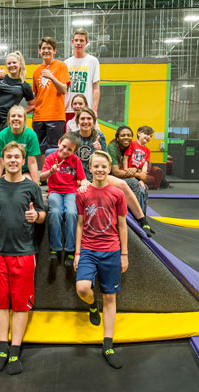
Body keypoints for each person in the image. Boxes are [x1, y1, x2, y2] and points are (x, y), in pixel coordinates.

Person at [0, 141, 46, 375]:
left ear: (23, 160)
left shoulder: (31, 187)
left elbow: (42, 215)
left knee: (21, 305)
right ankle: (2, 348)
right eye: (8, 157)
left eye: (16, 157)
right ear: (3, 160)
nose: (12, 160)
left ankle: (15, 350)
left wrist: (35, 215)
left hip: (25, 253)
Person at [74, 150, 127, 369]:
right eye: (96, 166)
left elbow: (122, 225)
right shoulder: (82, 193)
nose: (100, 170)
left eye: (103, 166)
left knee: (110, 297)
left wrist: (124, 254)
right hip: (88, 248)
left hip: (111, 250)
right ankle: (92, 306)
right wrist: (77, 253)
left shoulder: (117, 193)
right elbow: (79, 224)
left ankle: (107, 344)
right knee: (83, 288)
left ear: (108, 168)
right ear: (90, 168)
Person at [71, 108, 154, 237]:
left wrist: (99, 150)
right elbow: (71, 161)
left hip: (98, 174)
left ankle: (142, 220)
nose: (85, 121)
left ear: (93, 121)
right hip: (80, 177)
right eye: (82, 119)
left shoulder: (99, 135)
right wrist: (81, 179)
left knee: (124, 185)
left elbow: (105, 160)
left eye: (89, 119)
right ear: (78, 121)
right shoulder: (74, 136)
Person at [0, 51, 35, 179]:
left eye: (14, 63)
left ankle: (8, 174)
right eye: (9, 63)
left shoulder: (24, 85)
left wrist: (19, 114)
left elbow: (32, 105)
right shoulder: (0, 78)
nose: (11, 65)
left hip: (7, 118)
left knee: (4, 147)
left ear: (20, 64)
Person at [40, 133, 88, 267]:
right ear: (59, 142)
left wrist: (84, 183)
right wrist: (51, 171)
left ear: (74, 151)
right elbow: (42, 178)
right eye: (64, 146)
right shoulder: (50, 157)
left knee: (72, 213)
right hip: (54, 191)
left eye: (70, 149)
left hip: (70, 192)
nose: (65, 151)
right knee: (55, 213)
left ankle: (70, 250)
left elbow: (82, 178)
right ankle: (55, 249)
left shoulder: (75, 160)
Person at [32, 37, 71, 159]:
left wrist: (51, 77)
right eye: (43, 48)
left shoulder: (60, 66)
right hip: (39, 116)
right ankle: (44, 177)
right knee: (41, 150)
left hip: (55, 115)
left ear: (54, 50)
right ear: (39, 51)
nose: (46, 51)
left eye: (49, 48)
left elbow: (63, 89)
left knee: (54, 149)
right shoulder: (36, 71)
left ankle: (53, 177)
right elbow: (36, 95)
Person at [0, 105, 40, 184]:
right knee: (4, 184)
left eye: (20, 116)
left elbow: (32, 162)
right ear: (9, 120)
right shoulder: (2, 135)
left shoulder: (31, 135)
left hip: (24, 171)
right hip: (8, 169)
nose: (16, 118)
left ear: (24, 120)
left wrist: (36, 186)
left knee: (28, 184)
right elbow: (0, 162)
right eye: (13, 116)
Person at [109, 126, 152, 214]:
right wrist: (138, 175)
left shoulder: (132, 146)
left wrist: (136, 171)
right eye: (123, 135)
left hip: (126, 174)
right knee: (133, 182)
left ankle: (143, 214)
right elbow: (116, 172)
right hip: (111, 176)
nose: (126, 138)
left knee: (145, 188)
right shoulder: (112, 148)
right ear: (117, 138)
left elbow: (139, 164)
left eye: (129, 135)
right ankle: (135, 214)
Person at [64, 28, 100, 122]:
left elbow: (96, 87)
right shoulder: (66, 63)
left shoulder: (93, 61)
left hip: (86, 109)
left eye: (81, 40)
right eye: (76, 40)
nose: (78, 43)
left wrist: (94, 109)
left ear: (86, 42)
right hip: (68, 109)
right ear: (72, 42)